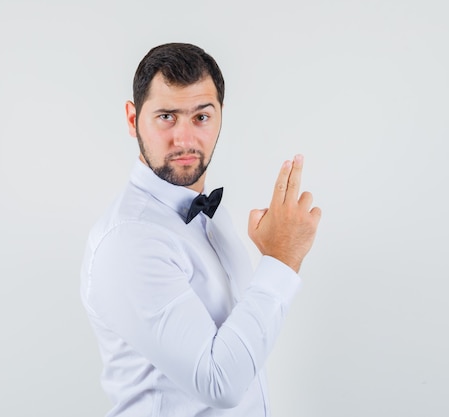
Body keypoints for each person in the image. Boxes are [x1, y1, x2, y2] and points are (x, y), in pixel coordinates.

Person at [80, 42, 321, 417]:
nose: (185, 140)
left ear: (221, 116)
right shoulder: (130, 240)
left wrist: (274, 256)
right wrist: (281, 259)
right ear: (133, 120)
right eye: (166, 117)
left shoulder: (208, 213)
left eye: (201, 117)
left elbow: (240, 353)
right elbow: (219, 384)